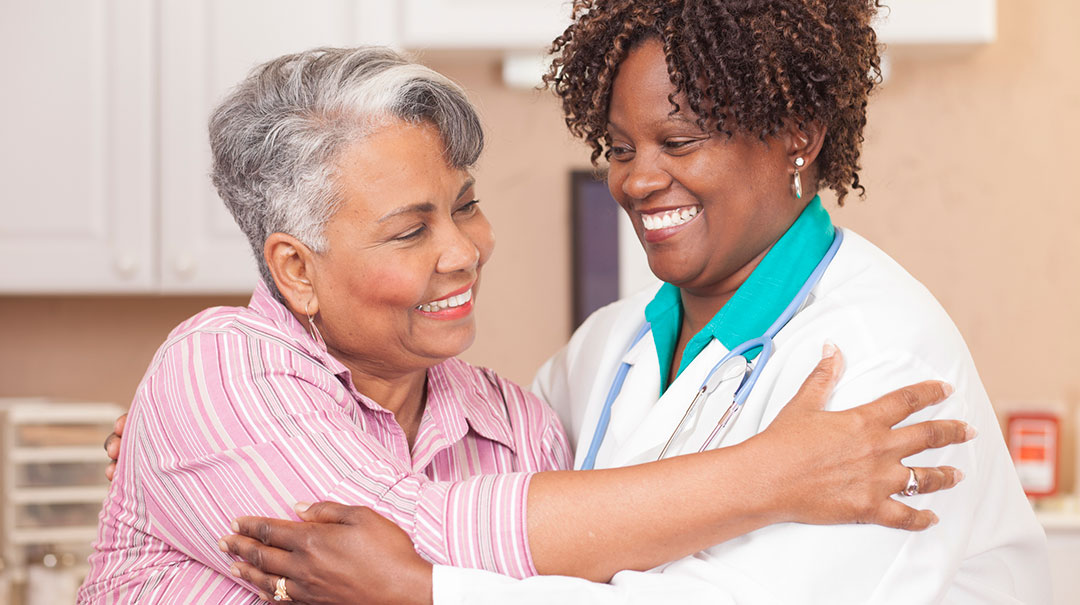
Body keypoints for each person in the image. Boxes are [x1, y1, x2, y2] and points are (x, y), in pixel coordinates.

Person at [206, 2, 1051, 604]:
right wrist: (244, 420)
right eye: (619, 147)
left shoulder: (880, 356)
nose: (639, 180)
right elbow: (466, 484)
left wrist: (427, 594)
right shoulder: (608, 349)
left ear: (798, 134)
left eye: (679, 142)